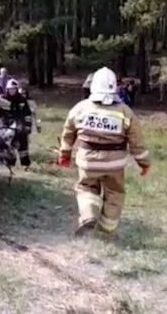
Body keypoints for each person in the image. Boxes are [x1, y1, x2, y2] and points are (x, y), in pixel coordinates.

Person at [58, 67, 150, 238]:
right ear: (114, 87)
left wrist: (65, 154)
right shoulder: (125, 112)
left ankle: (88, 216)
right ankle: (107, 230)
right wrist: (144, 163)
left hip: (88, 161)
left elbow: (68, 133)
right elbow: (137, 142)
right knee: (115, 193)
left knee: (86, 187)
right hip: (115, 164)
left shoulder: (80, 108)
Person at [0, 79, 33, 168]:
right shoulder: (3, 100)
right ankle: (9, 164)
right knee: (7, 145)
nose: (12, 91)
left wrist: (28, 126)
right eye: (10, 89)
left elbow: (27, 114)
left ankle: (25, 164)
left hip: (19, 125)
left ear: (17, 89)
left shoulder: (22, 100)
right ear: (7, 90)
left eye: (14, 89)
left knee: (22, 144)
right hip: (6, 125)